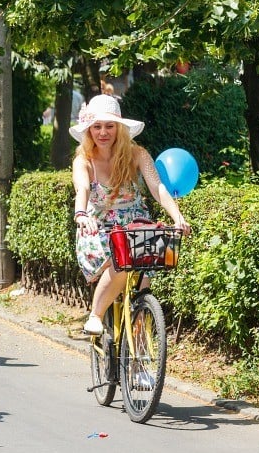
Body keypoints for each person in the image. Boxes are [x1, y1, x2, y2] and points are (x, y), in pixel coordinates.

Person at [71, 95, 191, 335]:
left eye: (109, 126)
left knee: (143, 283)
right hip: (98, 228)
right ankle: (95, 315)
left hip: (135, 226)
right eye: (97, 126)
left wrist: (178, 217)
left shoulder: (138, 154)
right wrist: (81, 215)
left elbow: (158, 188)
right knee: (121, 264)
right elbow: (82, 189)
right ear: (89, 130)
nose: (103, 132)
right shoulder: (83, 160)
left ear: (120, 128)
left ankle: (138, 352)